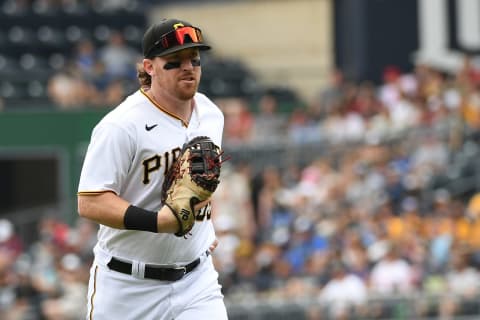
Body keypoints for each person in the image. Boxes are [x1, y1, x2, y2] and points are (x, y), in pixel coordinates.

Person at [77, 18, 228, 320]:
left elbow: (200, 182)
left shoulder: (211, 114)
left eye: (194, 59)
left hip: (196, 281)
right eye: (175, 60)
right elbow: (90, 201)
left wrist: (205, 224)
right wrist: (158, 222)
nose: (188, 67)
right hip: (128, 285)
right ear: (149, 67)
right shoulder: (121, 125)